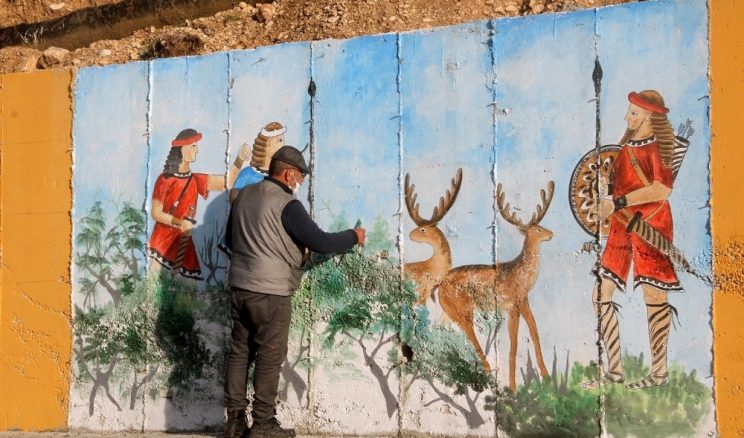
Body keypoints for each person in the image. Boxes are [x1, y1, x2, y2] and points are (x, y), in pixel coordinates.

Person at [223, 146, 365, 438]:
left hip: (239, 287)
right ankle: (262, 424)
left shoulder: (243, 196)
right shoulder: (287, 204)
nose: (299, 183)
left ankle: (235, 423)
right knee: (269, 354)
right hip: (270, 292)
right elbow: (320, 241)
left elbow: (229, 239)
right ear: (288, 173)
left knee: (239, 352)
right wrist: (353, 236)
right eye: (299, 177)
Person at [585, 90, 681, 391]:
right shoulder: (625, 149)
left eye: (635, 113)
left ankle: (659, 373)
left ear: (651, 117)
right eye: (630, 111)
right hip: (620, 228)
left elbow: (660, 191)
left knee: (654, 296)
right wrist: (605, 197)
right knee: (601, 293)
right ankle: (613, 370)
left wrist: (619, 200)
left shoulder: (660, 150)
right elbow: (612, 191)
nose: (628, 117)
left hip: (649, 226)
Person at [148, 129, 250, 280]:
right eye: (193, 146)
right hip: (163, 241)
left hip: (184, 241)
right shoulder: (165, 179)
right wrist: (179, 222)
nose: (197, 150)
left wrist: (239, 161)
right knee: (154, 285)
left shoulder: (195, 180)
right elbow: (156, 213)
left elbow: (226, 182)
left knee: (189, 290)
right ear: (182, 149)